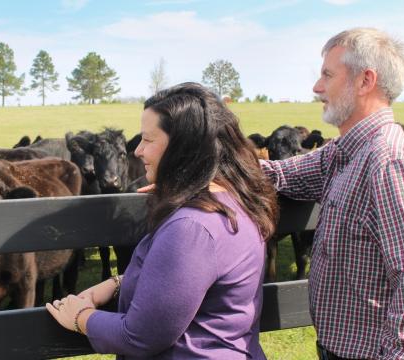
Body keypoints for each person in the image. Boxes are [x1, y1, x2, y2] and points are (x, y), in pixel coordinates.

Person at [260, 28, 404, 359]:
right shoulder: (344, 151)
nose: (316, 87)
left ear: (364, 81)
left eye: (327, 74)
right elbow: (280, 174)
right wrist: (203, 173)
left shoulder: (389, 160)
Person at [46, 82, 279, 359]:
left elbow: (139, 337)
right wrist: (117, 283)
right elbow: (185, 279)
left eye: (148, 139)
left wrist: (81, 317)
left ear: (182, 147)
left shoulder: (192, 226)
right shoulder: (234, 201)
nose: (137, 151)